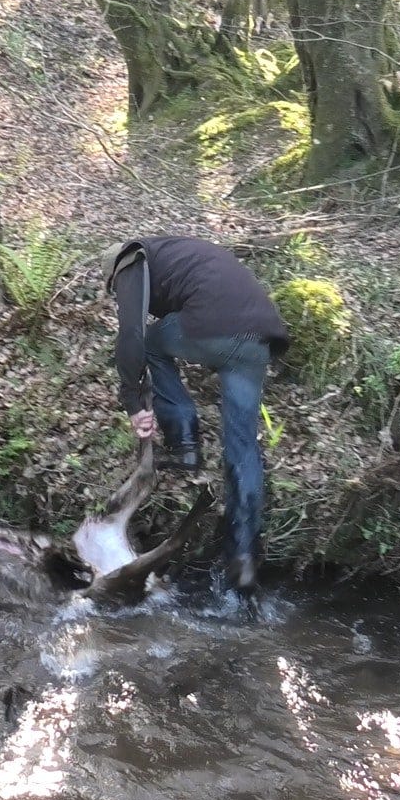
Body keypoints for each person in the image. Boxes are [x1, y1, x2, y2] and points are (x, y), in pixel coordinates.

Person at [101, 235, 289, 591]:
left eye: (115, 289)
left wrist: (134, 403)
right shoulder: (178, 254)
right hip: (259, 339)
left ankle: (184, 439)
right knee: (243, 447)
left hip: (217, 326)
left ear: (114, 271)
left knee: (153, 342)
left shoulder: (130, 259)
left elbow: (131, 336)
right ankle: (243, 559)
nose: (118, 294)